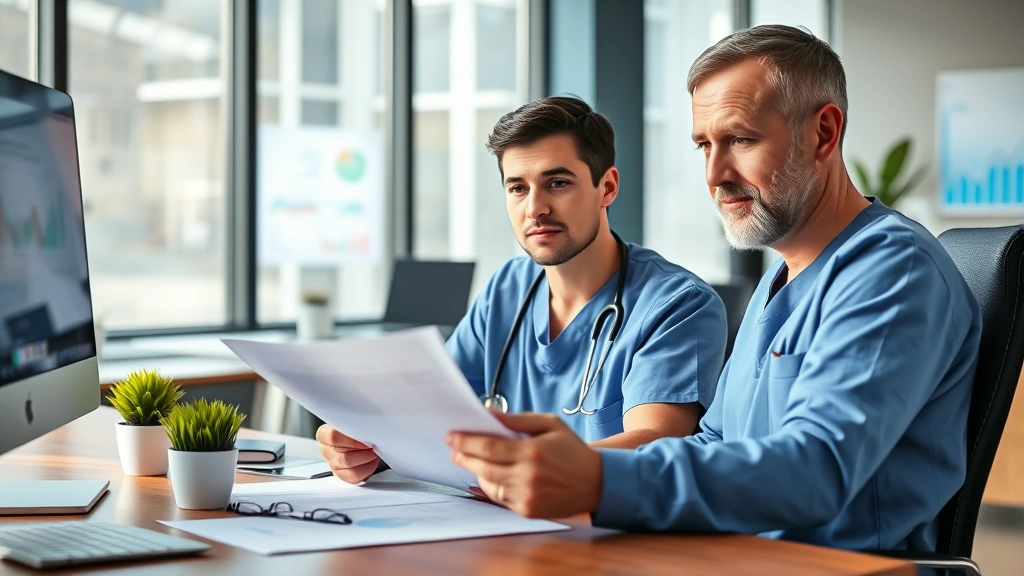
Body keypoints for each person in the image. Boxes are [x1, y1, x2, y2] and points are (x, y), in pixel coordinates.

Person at [446, 25, 982, 553]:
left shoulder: (891, 268)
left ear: (823, 133)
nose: (715, 173)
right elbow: (713, 442)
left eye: (741, 140)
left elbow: (817, 468)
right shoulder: (782, 277)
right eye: (704, 145)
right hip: (735, 553)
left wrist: (594, 475)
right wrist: (573, 474)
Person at [319, 96, 729, 484]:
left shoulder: (677, 304)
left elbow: (658, 442)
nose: (535, 208)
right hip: (498, 527)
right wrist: (367, 444)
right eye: (517, 187)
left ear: (607, 187)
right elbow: (429, 412)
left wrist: (528, 471)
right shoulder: (507, 289)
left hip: (609, 536)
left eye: (558, 183)